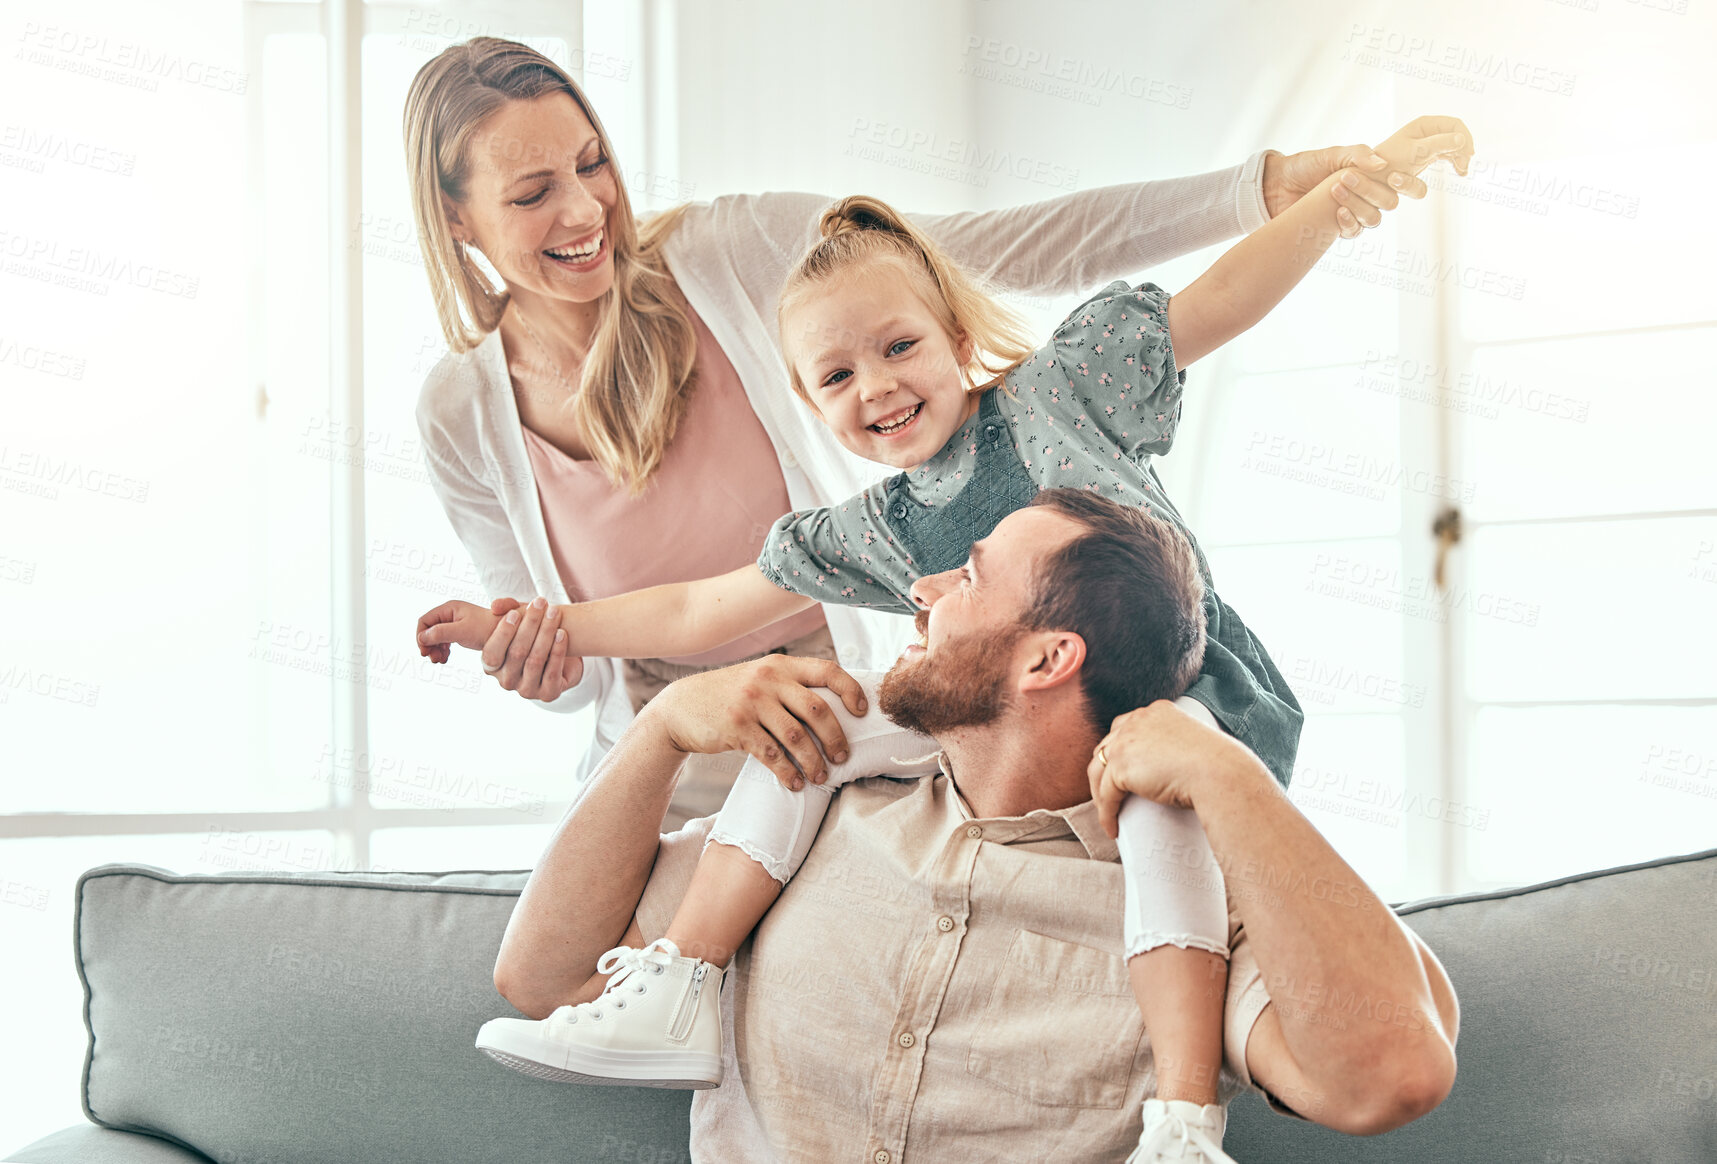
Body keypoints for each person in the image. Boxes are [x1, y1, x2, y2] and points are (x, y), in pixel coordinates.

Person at [422, 115, 1455, 1159]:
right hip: (983, 739)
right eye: (834, 378)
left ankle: (1180, 1120)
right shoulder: (884, 534)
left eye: (900, 347)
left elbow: (1209, 307)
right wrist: (569, 642)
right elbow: (698, 612)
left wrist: (1320, 206)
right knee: (816, 722)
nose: (873, 387)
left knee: (1163, 834)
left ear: (959, 340)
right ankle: (681, 979)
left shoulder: (1061, 396)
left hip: (1179, 696)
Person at [405, 36, 1473, 822]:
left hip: (861, 708)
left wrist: (1278, 193)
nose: (586, 210)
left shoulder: (750, 259)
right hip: (688, 753)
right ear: (455, 219)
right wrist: (541, 655)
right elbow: (655, 627)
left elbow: (1017, 253)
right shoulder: (463, 416)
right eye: (534, 192)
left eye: (592, 164)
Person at [481, 496, 1461, 1162]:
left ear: (1047, 660)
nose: (923, 592)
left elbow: (1391, 1076)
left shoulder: (1195, 914)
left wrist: (1231, 777)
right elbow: (545, 978)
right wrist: (656, 732)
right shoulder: (813, 813)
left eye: (969, 577)